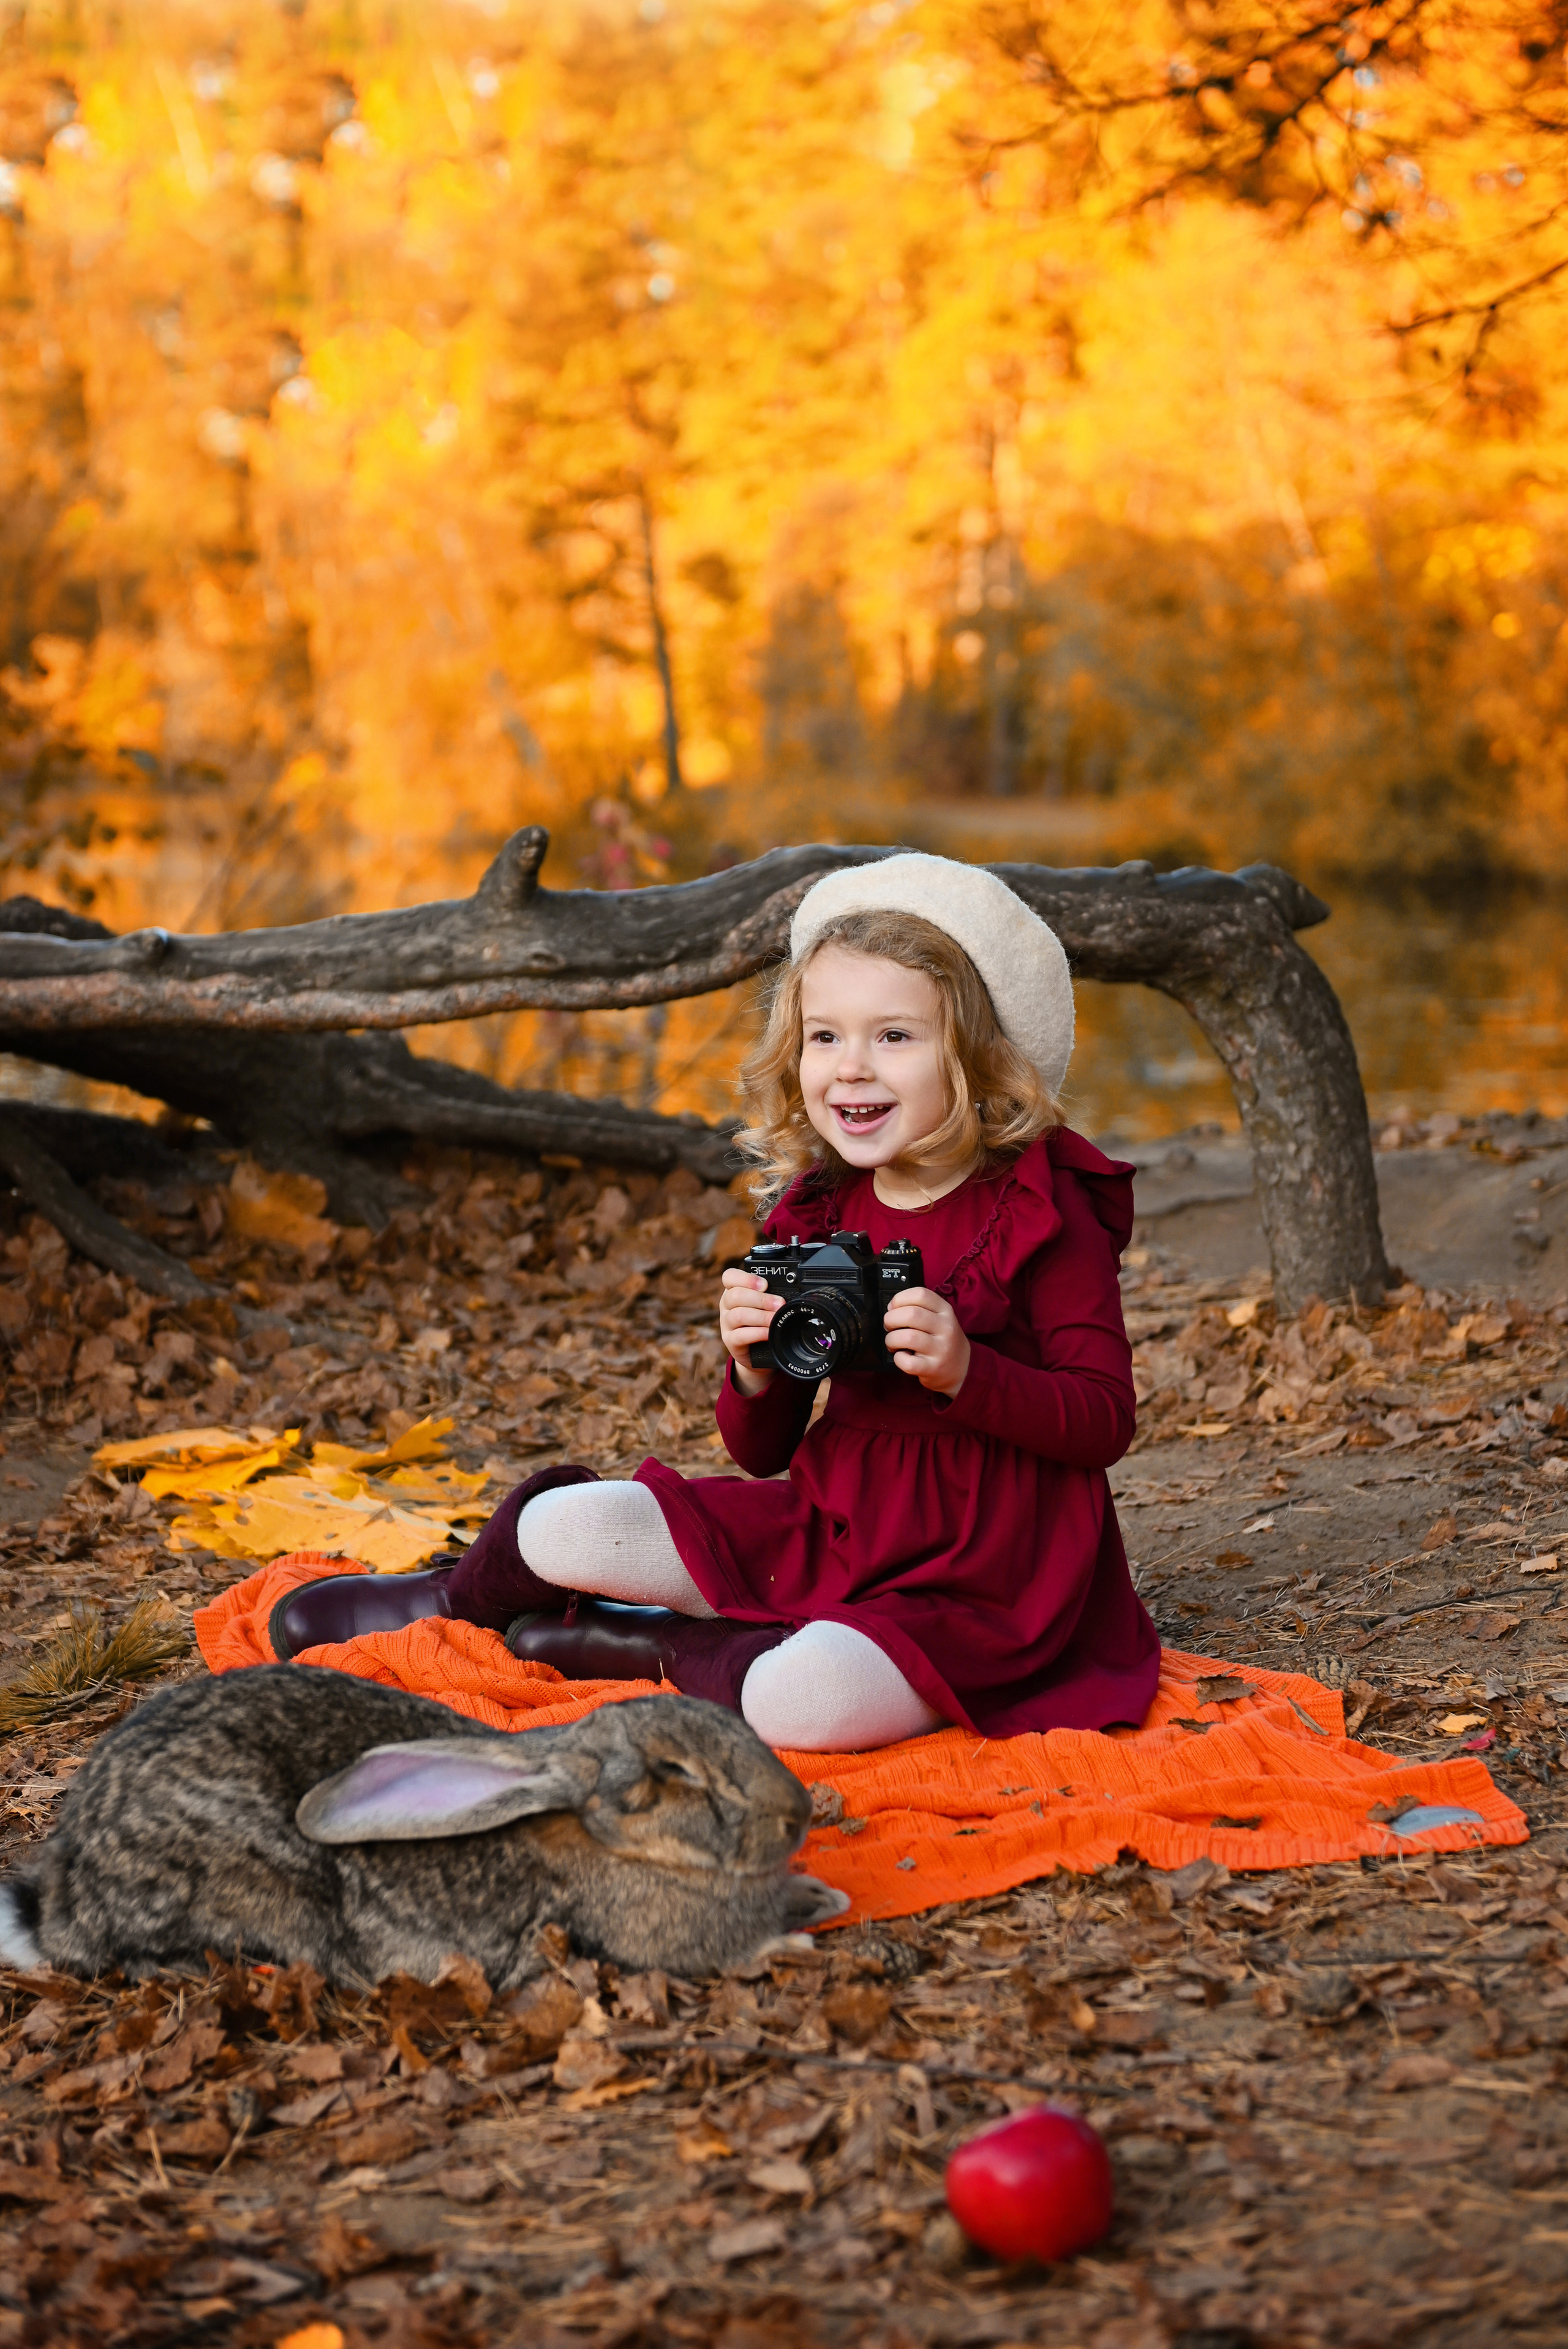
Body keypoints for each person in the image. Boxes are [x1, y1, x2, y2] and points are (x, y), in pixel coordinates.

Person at [271, 853, 1159, 1752]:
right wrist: (753, 1370)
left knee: (803, 1703)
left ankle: (647, 1645)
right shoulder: (818, 1205)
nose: (852, 1069)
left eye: (895, 1036)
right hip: (831, 1529)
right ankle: (457, 1598)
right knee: (562, 1520)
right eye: (825, 1037)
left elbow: (1103, 1421)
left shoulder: (1043, 1210)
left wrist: (973, 1371)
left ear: (977, 1054)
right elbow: (760, 1455)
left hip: (989, 1576)